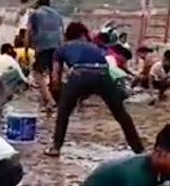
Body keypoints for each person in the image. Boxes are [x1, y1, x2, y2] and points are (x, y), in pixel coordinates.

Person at [47, 22, 144, 157]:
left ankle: (56, 147)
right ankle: (139, 150)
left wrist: (59, 94)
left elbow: (55, 76)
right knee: (121, 114)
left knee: (63, 112)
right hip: (103, 75)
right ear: (82, 35)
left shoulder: (62, 48)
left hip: (80, 74)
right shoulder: (95, 47)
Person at [26, 0, 63, 108]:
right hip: (57, 46)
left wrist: (26, 47)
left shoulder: (35, 14)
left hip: (43, 46)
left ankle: (50, 100)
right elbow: (62, 32)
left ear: (39, 4)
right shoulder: (57, 15)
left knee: (37, 73)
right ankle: (57, 98)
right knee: (54, 73)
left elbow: (29, 32)